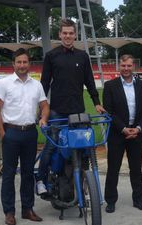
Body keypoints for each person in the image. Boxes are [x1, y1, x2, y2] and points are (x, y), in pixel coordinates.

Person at [36, 18, 105, 194]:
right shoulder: (51, 56)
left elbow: (90, 82)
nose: (67, 36)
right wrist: (41, 109)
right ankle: (41, 180)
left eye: (71, 33)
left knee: (84, 149)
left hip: (77, 113)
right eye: (64, 33)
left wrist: (97, 103)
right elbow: (44, 84)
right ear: (59, 34)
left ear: (75, 35)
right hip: (57, 112)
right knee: (51, 147)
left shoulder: (83, 56)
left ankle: (83, 182)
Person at [0, 48, 49, 225]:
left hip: (30, 133)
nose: (22, 65)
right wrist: (3, 134)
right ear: (13, 64)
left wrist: (44, 118)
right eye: (19, 62)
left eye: (25, 62)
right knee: (8, 174)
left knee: (27, 173)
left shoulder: (36, 85)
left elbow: (45, 106)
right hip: (11, 133)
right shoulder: (4, 83)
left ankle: (27, 209)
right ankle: (9, 212)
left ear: (29, 64)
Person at [103, 54, 142, 213]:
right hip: (117, 134)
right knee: (113, 169)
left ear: (133, 67)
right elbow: (109, 112)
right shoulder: (110, 86)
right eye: (123, 66)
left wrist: (138, 128)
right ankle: (110, 200)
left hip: (136, 133)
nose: (126, 69)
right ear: (119, 67)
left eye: (129, 66)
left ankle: (138, 200)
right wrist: (123, 129)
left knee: (136, 169)